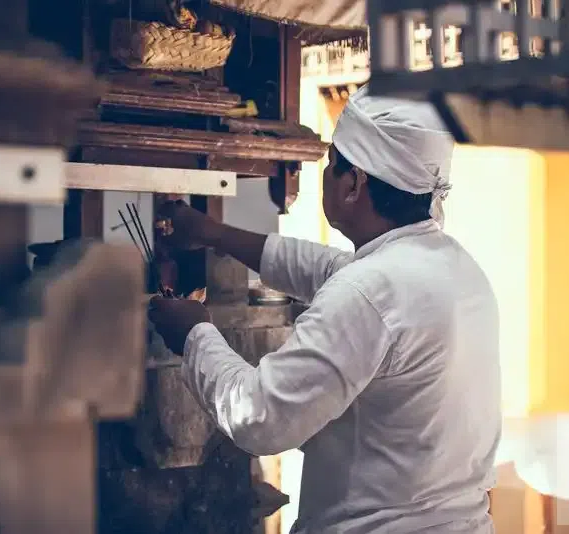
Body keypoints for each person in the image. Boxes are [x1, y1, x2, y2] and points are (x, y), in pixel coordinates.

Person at [149, 85, 502, 534]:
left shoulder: (369, 290)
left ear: (353, 184)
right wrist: (213, 233)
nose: (326, 174)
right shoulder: (453, 268)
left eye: (332, 163)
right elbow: (324, 268)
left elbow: (259, 417)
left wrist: (194, 335)